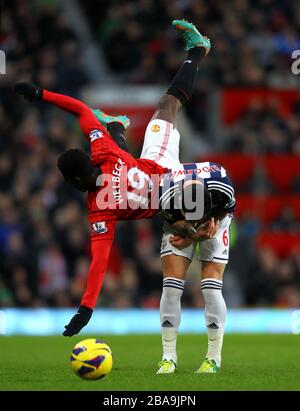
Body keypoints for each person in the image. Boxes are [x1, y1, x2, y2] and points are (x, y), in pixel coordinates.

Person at [15, 20, 217, 337]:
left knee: (194, 220)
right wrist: (42, 94)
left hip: (165, 173)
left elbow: (99, 262)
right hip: (162, 177)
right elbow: (81, 110)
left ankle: (196, 51)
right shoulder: (101, 152)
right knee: (167, 105)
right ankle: (119, 125)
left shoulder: (100, 209)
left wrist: (86, 308)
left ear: (76, 183)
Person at [91, 21, 236, 374]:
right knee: (171, 285)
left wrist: (204, 231)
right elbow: (171, 219)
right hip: (170, 182)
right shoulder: (166, 192)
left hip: (211, 212)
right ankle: (168, 357)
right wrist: (187, 230)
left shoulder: (222, 193)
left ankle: (212, 359)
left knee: (210, 285)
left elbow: (211, 217)